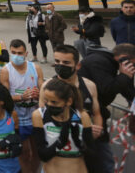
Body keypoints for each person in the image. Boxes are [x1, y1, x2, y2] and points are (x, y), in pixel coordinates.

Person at [39, 44, 103, 173]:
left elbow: (96, 114)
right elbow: (43, 117)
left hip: (82, 149)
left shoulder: (89, 86)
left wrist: (96, 131)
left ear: (77, 65)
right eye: (57, 61)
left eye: (66, 62)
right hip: (55, 150)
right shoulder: (46, 87)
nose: (60, 65)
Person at [78, 43, 135, 172]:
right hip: (89, 116)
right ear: (124, 58)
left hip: (96, 112)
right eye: (133, 63)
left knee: (95, 157)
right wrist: (124, 76)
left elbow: (127, 89)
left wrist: (127, 78)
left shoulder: (112, 64)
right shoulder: (99, 62)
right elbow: (107, 89)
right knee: (103, 159)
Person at [0, 39, 43, 173]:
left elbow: (45, 93)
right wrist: (22, 97)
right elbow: (4, 99)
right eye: (13, 53)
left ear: (26, 53)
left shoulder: (35, 68)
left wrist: (38, 94)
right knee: (24, 153)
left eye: (20, 53)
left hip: (35, 118)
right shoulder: (6, 71)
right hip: (19, 119)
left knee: (37, 152)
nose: (16, 56)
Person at [32, 78, 93, 173]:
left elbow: (92, 153)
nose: (48, 105)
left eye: (54, 102)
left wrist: (78, 142)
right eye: (46, 101)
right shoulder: (39, 115)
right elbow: (43, 155)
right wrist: (60, 143)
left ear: (68, 101)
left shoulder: (82, 116)